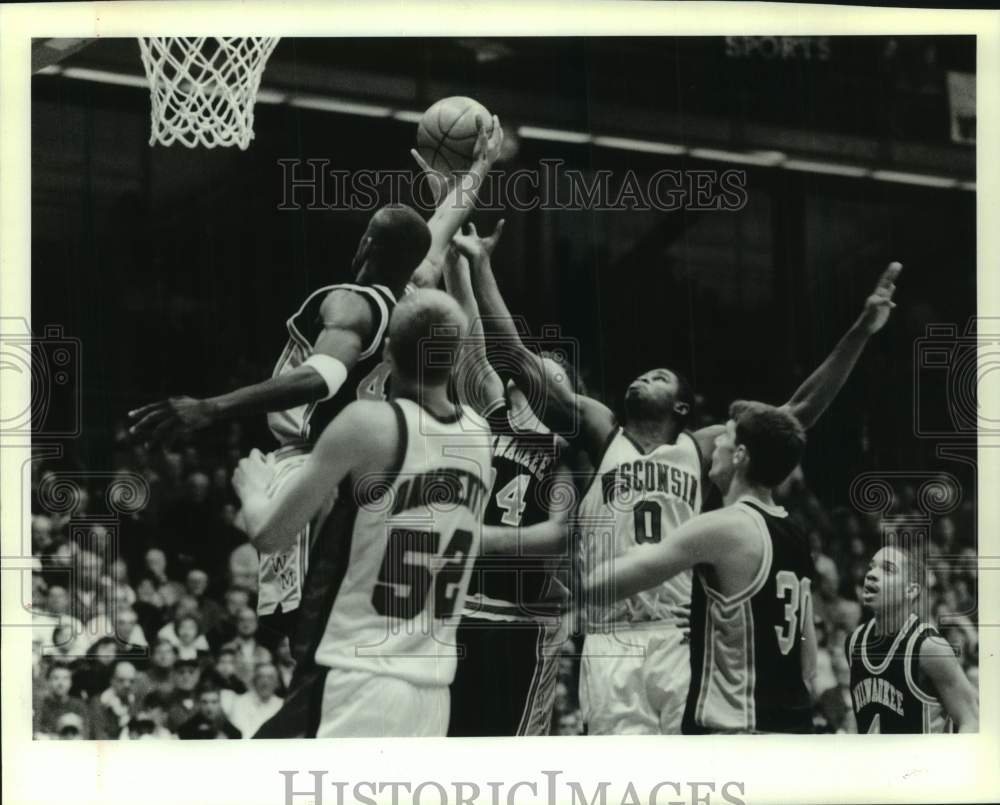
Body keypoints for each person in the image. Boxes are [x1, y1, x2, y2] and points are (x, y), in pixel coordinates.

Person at [470, 252, 903, 734]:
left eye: (658, 377)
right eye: (640, 375)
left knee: (685, 775)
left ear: (680, 405)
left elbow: (796, 412)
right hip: (611, 635)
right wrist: (483, 264)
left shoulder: (700, 447)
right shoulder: (601, 431)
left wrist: (861, 330)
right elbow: (516, 358)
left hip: (680, 635)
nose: (642, 378)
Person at [129, 117, 504, 649]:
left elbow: (321, 377)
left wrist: (211, 408)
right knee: (330, 630)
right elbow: (439, 230)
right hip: (352, 474)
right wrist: (479, 170)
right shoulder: (411, 297)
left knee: (305, 636)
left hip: (305, 466)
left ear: (365, 245)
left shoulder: (351, 301)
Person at [234, 289, 494, 738]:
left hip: (354, 672)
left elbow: (270, 534)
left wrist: (253, 488)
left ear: (388, 352)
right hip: (432, 689)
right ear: (455, 359)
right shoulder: (478, 437)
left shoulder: (368, 424)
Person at [585, 401, 819, 733]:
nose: (717, 444)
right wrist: (704, 617)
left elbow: (603, 585)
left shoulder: (721, 527)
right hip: (793, 726)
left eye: (725, 435)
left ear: (740, 454)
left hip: (739, 732)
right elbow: (808, 660)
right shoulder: (796, 534)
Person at [443, 222, 573, 736]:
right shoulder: (491, 409)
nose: (540, 369)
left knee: (512, 758)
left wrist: (475, 539)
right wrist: (458, 252)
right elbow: (469, 332)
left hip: (522, 622)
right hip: (462, 610)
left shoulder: (565, 448)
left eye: (554, 370)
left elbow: (556, 535)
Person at [847, 544, 978, 733]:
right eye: (871, 567)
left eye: (888, 569)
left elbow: (972, 719)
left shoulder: (929, 647)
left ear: (911, 590)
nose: (872, 574)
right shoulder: (854, 642)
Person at [222, 662, 283, 739]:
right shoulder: (240, 703)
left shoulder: (282, 705)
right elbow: (241, 734)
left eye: (270, 677)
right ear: (254, 681)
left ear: (277, 683)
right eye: (261, 677)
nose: (265, 682)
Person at [34, 664, 90, 738]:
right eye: (56, 678)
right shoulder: (39, 705)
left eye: (65, 678)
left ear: (71, 683)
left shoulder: (79, 706)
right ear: (48, 682)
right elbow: (35, 734)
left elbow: (85, 735)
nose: (61, 683)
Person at [177, 686, 241, 739]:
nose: (209, 707)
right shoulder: (186, 729)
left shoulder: (228, 728)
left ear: (219, 704)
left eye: (214, 702)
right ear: (199, 704)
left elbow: (237, 736)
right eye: (204, 702)